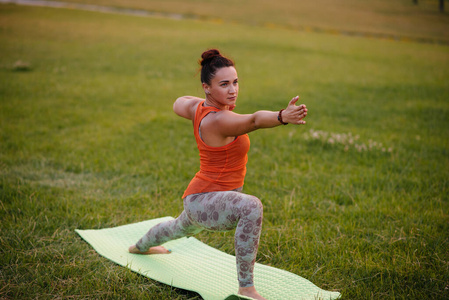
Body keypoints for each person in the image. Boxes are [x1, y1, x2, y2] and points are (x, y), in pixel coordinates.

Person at [129, 49, 308, 300]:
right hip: (206, 200)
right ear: (207, 87)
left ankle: (139, 247)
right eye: (223, 84)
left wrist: (203, 100)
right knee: (251, 207)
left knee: (177, 227)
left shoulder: (198, 108)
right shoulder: (219, 120)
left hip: (200, 198)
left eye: (235, 82)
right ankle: (246, 288)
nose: (232, 90)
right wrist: (281, 116)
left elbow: (178, 102)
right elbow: (255, 120)